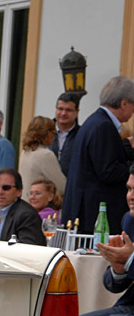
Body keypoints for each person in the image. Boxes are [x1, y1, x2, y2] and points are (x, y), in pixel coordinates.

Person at [61, 76, 134, 234]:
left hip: (84, 210)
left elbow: (102, 157)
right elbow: (108, 171)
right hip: (95, 215)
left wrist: (127, 148)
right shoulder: (104, 126)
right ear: (124, 103)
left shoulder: (94, 121)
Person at [0, 168, 44, 245]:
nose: (0, 192)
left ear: (19, 192)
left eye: (6, 187)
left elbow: (29, 249)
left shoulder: (27, 215)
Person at [18, 115, 66, 196]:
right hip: (40, 205)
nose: (55, 136)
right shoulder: (45, 155)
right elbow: (62, 187)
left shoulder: (25, 152)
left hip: (25, 203)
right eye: (53, 132)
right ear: (45, 133)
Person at [51, 92, 81, 177]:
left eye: (68, 110)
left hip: (72, 186)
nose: (63, 113)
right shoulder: (44, 132)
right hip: (46, 187)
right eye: (60, 109)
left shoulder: (82, 134)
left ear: (77, 112)